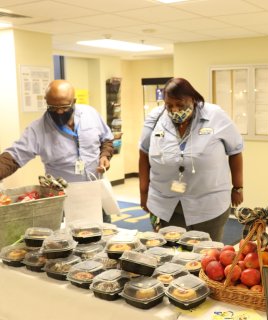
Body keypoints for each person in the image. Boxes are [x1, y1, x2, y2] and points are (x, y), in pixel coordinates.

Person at [139, 77, 244, 241]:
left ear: (193, 98)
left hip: (208, 204)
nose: (175, 110)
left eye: (180, 104)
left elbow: (235, 151)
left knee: (208, 256)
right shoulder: (156, 118)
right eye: (169, 105)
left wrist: (237, 187)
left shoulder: (215, 116)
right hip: (167, 203)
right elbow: (143, 153)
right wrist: (144, 193)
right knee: (173, 254)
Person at [0, 79, 114, 222]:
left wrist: (105, 156)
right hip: (64, 199)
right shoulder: (37, 129)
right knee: (67, 240)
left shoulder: (91, 114)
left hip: (96, 192)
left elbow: (107, 140)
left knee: (104, 236)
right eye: (53, 107)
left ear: (74, 101)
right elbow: (13, 157)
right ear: (46, 101)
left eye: (65, 107)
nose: (59, 111)